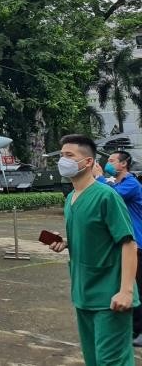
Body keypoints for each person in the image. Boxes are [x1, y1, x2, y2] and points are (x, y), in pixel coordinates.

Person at [49, 136, 138, 365]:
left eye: (70, 156)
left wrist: (126, 291)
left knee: (112, 361)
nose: (63, 160)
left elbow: (128, 243)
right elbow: (92, 234)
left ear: (88, 162)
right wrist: (65, 242)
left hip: (110, 296)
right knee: (94, 360)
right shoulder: (71, 199)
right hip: (83, 295)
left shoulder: (107, 196)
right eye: (61, 155)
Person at [94, 151, 142, 345]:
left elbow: (111, 196)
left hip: (137, 243)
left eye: (112, 161)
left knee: (137, 287)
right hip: (124, 242)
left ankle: (139, 330)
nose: (108, 163)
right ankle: (131, 328)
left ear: (124, 164)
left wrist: (99, 177)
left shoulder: (131, 184)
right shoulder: (118, 182)